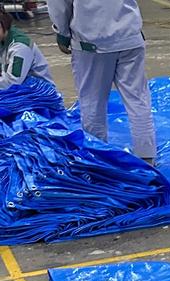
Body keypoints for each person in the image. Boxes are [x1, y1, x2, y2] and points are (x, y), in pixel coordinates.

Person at [46, 0, 157, 162]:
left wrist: (62, 32)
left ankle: (97, 156)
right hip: (130, 35)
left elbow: (58, 4)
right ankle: (146, 155)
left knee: (92, 102)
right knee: (137, 99)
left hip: (91, 42)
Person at [0, 12, 56, 91]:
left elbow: (13, 82)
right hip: (20, 89)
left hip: (38, 92)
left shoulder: (20, 47)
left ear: (4, 25)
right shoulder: (4, 38)